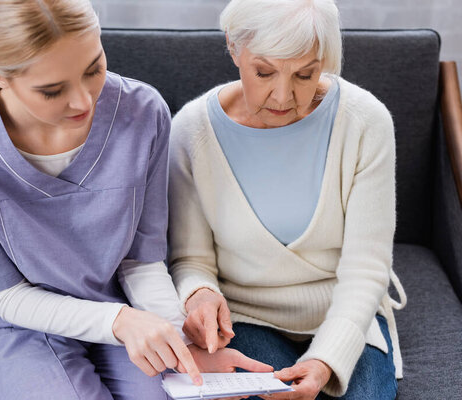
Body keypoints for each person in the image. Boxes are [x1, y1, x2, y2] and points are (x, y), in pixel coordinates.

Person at [0, 1, 271, 399]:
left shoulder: (143, 112)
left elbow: (141, 259)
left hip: (128, 311)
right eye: (52, 90)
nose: (84, 102)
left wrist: (183, 343)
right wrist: (119, 321)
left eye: (93, 69)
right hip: (19, 326)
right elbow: (6, 295)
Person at [168, 0, 407, 399]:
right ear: (233, 47)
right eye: (264, 72)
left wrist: (326, 359)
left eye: (305, 74)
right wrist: (199, 294)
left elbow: (367, 268)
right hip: (244, 316)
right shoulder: (191, 132)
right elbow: (190, 260)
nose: (283, 96)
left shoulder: (366, 122)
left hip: (347, 313)